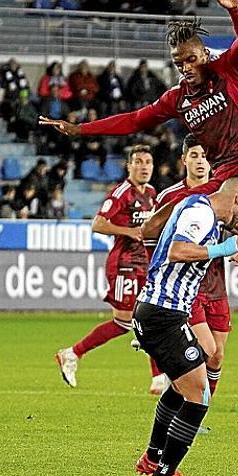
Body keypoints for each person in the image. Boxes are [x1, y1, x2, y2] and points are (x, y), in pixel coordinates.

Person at [39, 0, 238, 260]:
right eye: (179, 63)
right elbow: (134, 120)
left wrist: (235, 10)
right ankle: (181, 269)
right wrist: (81, 129)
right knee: (153, 226)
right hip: (224, 178)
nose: (186, 68)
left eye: (191, 60)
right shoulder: (176, 98)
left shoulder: (229, 70)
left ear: (205, 54)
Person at [132, 176, 238, 476]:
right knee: (199, 393)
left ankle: (152, 456)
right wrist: (226, 247)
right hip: (163, 314)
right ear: (237, 198)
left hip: (160, 312)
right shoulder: (201, 212)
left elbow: (227, 230)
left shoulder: (202, 210)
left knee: (181, 385)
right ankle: (164, 475)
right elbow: (177, 250)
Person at [144, 135, 238, 398]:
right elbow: (154, 234)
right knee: (202, 350)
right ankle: (184, 394)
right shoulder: (173, 196)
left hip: (215, 282)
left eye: (205, 156)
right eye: (195, 156)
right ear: (184, 160)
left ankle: (198, 405)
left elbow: (230, 225)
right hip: (186, 286)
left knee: (217, 355)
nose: (201, 162)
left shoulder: (223, 193)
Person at [55, 145, 159, 391]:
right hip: (124, 264)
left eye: (148, 162)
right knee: (125, 322)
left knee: (153, 315)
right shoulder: (122, 192)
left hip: (145, 264)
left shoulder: (153, 193)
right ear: (129, 166)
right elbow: (98, 224)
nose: (144, 167)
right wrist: (128, 232)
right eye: (139, 162)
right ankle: (73, 353)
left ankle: (158, 377)